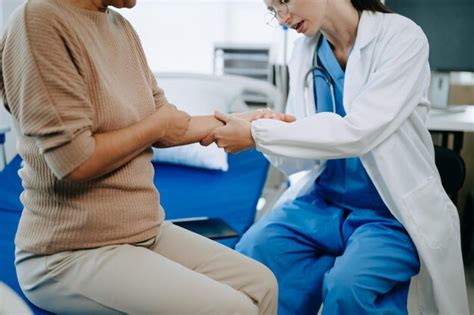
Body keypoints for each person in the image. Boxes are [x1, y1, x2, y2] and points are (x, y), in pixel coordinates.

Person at [0, 0, 287, 313]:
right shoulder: (38, 21)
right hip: (69, 251)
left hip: (144, 232)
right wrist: (157, 125)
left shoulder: (120, 28)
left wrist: (249, 119)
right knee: (235, 309)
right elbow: (75, 161)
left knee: (262, 285)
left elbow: (171, 124)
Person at [203, 0, 470, 314]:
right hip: (323, 203)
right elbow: (301, 157)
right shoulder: (304, 53)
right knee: (254, 253)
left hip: (387, 213)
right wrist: (273, 129)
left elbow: (359, 132)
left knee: (349, 287)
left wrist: (257, 135)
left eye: (284, 1)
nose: (282, 18)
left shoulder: (402, 38)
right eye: (273, 9)